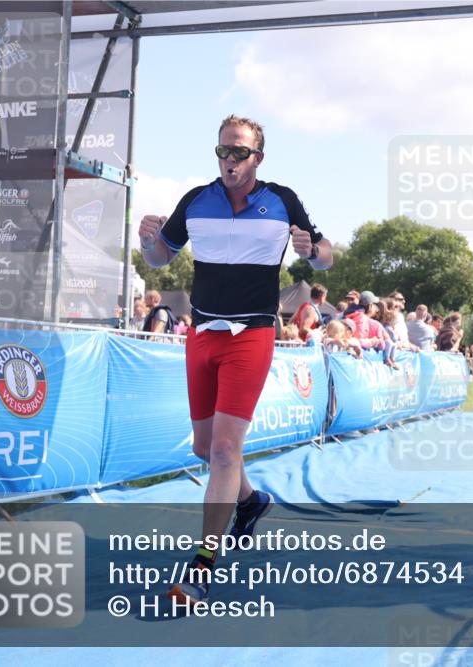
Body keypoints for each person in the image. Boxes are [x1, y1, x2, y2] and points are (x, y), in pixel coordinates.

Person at [138, 114, 332, 605]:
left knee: (226, 450)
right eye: (222, 151)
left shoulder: (281, 199)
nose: (229, 159)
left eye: (239, 152)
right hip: (201, 337)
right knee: (205, 448)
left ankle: (203, 566)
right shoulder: (196, 200)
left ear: (257, 158)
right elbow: (162, 257)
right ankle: (251, 501)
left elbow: (324, 255)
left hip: (252, 337)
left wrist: (313, 251)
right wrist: (146, 240)